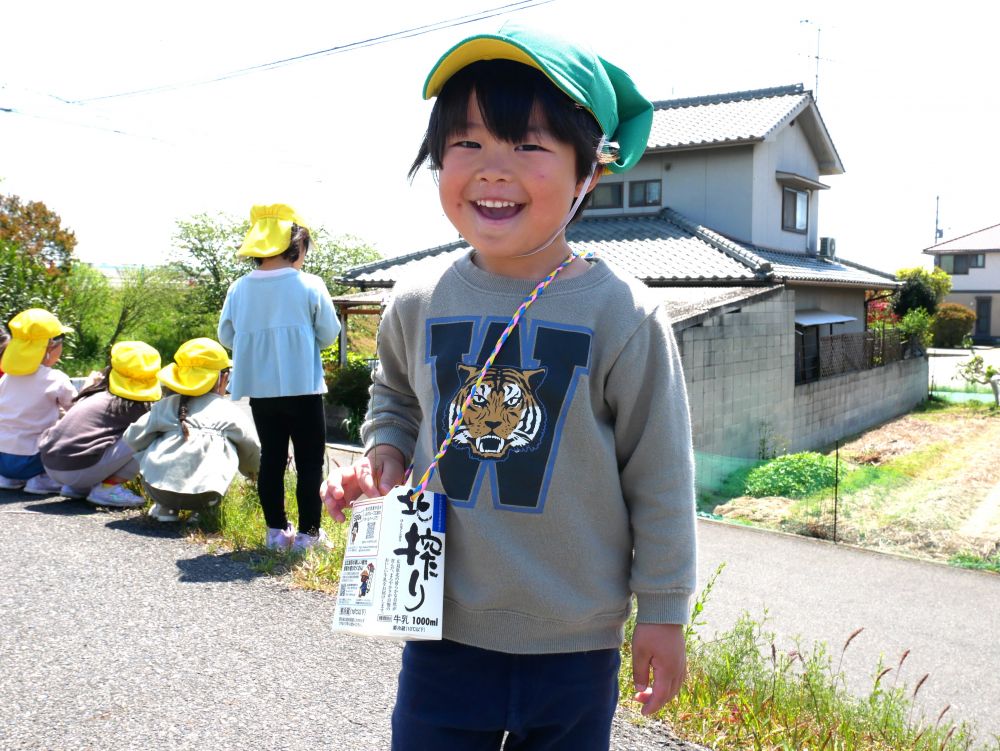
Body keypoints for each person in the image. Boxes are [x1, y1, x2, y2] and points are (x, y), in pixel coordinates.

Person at [322, 24, 697, 751]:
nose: (493, 169)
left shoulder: (623, 312)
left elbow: (660, 474)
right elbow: (396, 398)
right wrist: (384, 460)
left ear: (590, 169)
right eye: (466, 144)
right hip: (442, 624)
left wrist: (663, 609)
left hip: (575, 638)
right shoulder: (417, 296)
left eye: (527, 145)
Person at [218, 204, 340, 551]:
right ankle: (309, 534)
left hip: (261, 391)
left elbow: (227, 336)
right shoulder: (309, 285)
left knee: (272, 458)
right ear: (296, 248)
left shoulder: (239, 288)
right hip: (303, 387)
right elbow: (329, 333)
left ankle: (275, 532)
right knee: (309, 463)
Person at [123, 338, 260, 522]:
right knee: (228, 448)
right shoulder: (229, 412)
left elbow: (132, 438)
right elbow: (252, 451)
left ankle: (165, 510)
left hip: (158, 489)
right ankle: (203, 513)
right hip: (206, 494)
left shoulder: (165, 406)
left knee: (153, 437)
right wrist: (255, 475)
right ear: (222, 378)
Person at [38, 341, 161, 506]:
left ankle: (78, 488)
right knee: (151, 434)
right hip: (77, 471)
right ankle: (108, 489)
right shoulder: (131, 404)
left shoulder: (95, 394)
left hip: (52, 467)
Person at [0, 309, 77, 493]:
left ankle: (8, 478)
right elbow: (77, 410)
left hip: (2, 459)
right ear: (50, 346)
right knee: (67, 430)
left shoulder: (7, 378)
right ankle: (41, 479)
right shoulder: (56, 379)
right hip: (33, 461)